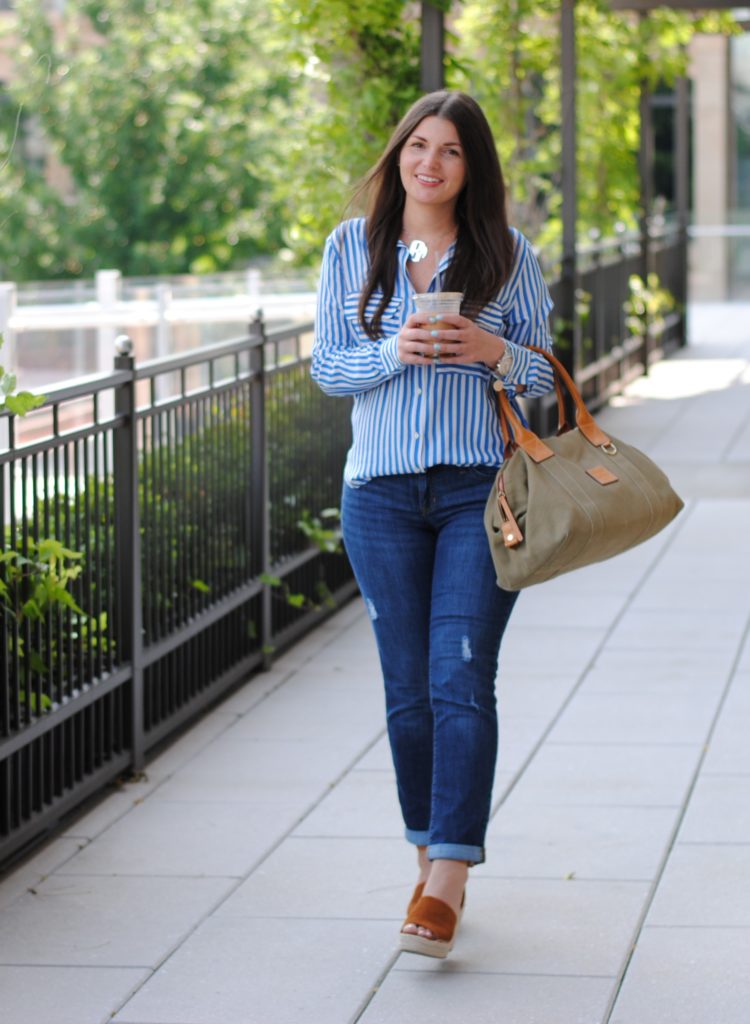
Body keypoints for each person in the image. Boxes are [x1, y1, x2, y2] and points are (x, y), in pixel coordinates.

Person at [311, 90, 555, 958]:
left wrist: (495, 353)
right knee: (407, 689)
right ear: (400, 155)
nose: (430, 163)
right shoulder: (354, 247)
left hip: (476, 494)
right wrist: (393, 352)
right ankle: (425, 850)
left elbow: (547, 380)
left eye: (450, 150)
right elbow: (328, 368)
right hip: (378, 494)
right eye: (419, 146)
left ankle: (447, 877)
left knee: (459, 672)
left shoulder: (509, 255)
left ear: (470, 167)